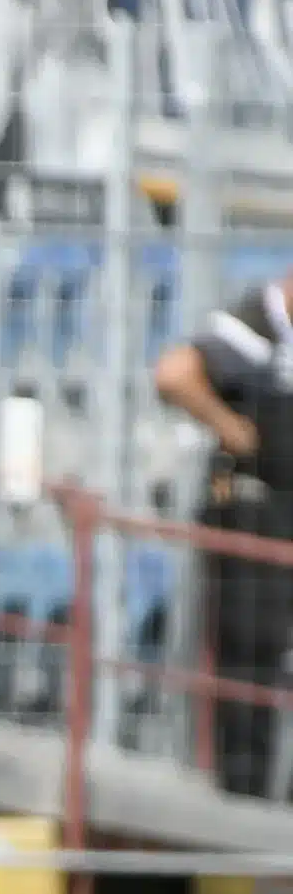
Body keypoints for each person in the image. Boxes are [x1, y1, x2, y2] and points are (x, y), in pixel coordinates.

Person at [151, 266, 293, 795]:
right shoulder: (258, 322)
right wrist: (232, 429)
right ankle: (244, 791)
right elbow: (174, 374)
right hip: (254, 519)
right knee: (249, 657)